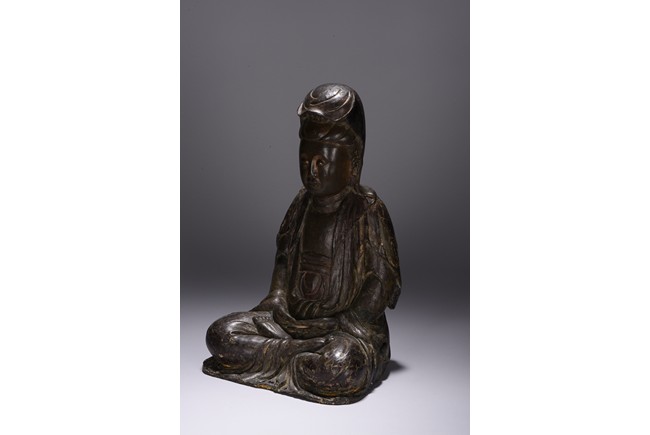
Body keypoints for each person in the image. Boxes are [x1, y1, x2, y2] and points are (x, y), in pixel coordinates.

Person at [203, 83, 401, 404]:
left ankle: (286, 358)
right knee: (221, 334)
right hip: (288, 324)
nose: (312, 171)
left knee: (341, 364)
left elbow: (381, 281)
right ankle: (297, 354)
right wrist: (277, 298)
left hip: (341, 330)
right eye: (305, 159)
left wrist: (349, 320)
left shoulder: (367, 209)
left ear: (352, 161)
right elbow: (284, 260)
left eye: (323, 162)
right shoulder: (301, 204)